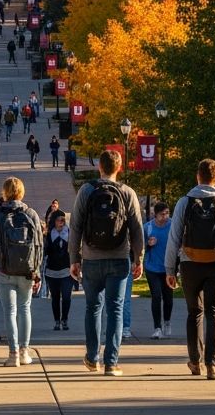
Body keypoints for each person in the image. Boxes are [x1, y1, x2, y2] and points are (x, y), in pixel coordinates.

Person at [69, 149, 144, 377]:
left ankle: (92, 358)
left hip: (91, 259)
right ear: (119, 168)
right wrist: (138, 258)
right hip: (119, 258)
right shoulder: (127, 192)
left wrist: (74, 258)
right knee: (115, 310)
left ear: (99, 167)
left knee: (93, 308)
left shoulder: (87, 190)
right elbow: (137, 229)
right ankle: (111, 362)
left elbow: (75, 227)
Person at [165, 158, 215, 380]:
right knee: (214, 313)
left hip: (190, 263)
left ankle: (194, 361)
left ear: (198, 176)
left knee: (194, 313)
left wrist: (170, 268)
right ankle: (213, 365)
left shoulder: (184, 202)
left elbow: (174, 237)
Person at [0, 177, 44, 367]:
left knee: (9, 311)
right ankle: (25, 351)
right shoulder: (31, 213)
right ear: (22, 192)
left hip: (4, 269)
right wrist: (36, 271)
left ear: (5, 192)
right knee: (25, 309)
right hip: (27, 270)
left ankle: (13, 355)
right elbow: (39, 245)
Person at [143, 202, 174, 338]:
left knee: (168, 298)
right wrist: (148, 245)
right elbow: (141, 247)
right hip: (152, 267)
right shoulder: (148, 228)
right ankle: (157, 328)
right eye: (162, 214)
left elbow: (179, 240)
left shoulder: (173, 225)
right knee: (156, 296)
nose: (165, 216)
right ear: (155, 214)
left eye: (167, 213)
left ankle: (167, 321)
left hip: (168, 268)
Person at [44, 209, 74, 330]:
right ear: (54, 221)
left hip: (67, 270)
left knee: (66, 297)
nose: (61, 222)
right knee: (55, 298)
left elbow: (75, 250)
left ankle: (65, 319)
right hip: (52, 271)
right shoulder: (49, 234)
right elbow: (45, 252)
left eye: (63, 220)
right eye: (59, 220)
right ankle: (57, 320)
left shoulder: (70, 234)